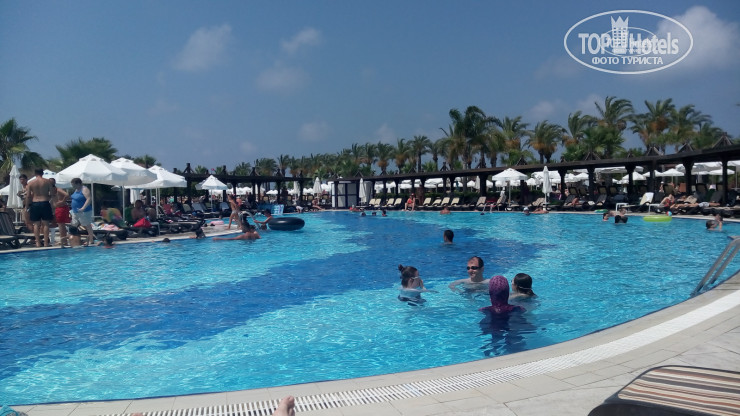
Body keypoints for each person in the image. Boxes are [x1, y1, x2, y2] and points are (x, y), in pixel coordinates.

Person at [25, 168, 53, 247]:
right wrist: (48, 199)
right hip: (45, 202)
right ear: (42, 173)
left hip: (35, 203)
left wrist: (26, 206)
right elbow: (52, 194)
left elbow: (28, 196)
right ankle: (46, 243)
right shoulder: (47, 181)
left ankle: (37, 242)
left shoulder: (30, 183)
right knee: (46, 224)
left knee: (36, 224)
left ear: (35, 173)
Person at [70, 178, 95, 246]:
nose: (73, 186)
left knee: (87, 225)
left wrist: (83, 208)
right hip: (75, 211)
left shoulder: (84, 189)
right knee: (73, 225)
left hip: (84, 211)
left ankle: (91, 240)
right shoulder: (76, 189)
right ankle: (74, 240)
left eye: (73, 185)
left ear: (78, 183)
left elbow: (89, 199)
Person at [50, 178, 71, 247]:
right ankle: (64, 240)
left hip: (61, 208)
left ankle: (63, 241)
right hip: (58, 208)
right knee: (61, 225)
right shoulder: (51, 190)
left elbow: (67, 195)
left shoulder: (58, 189)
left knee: (61, 225)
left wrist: (62, 201)